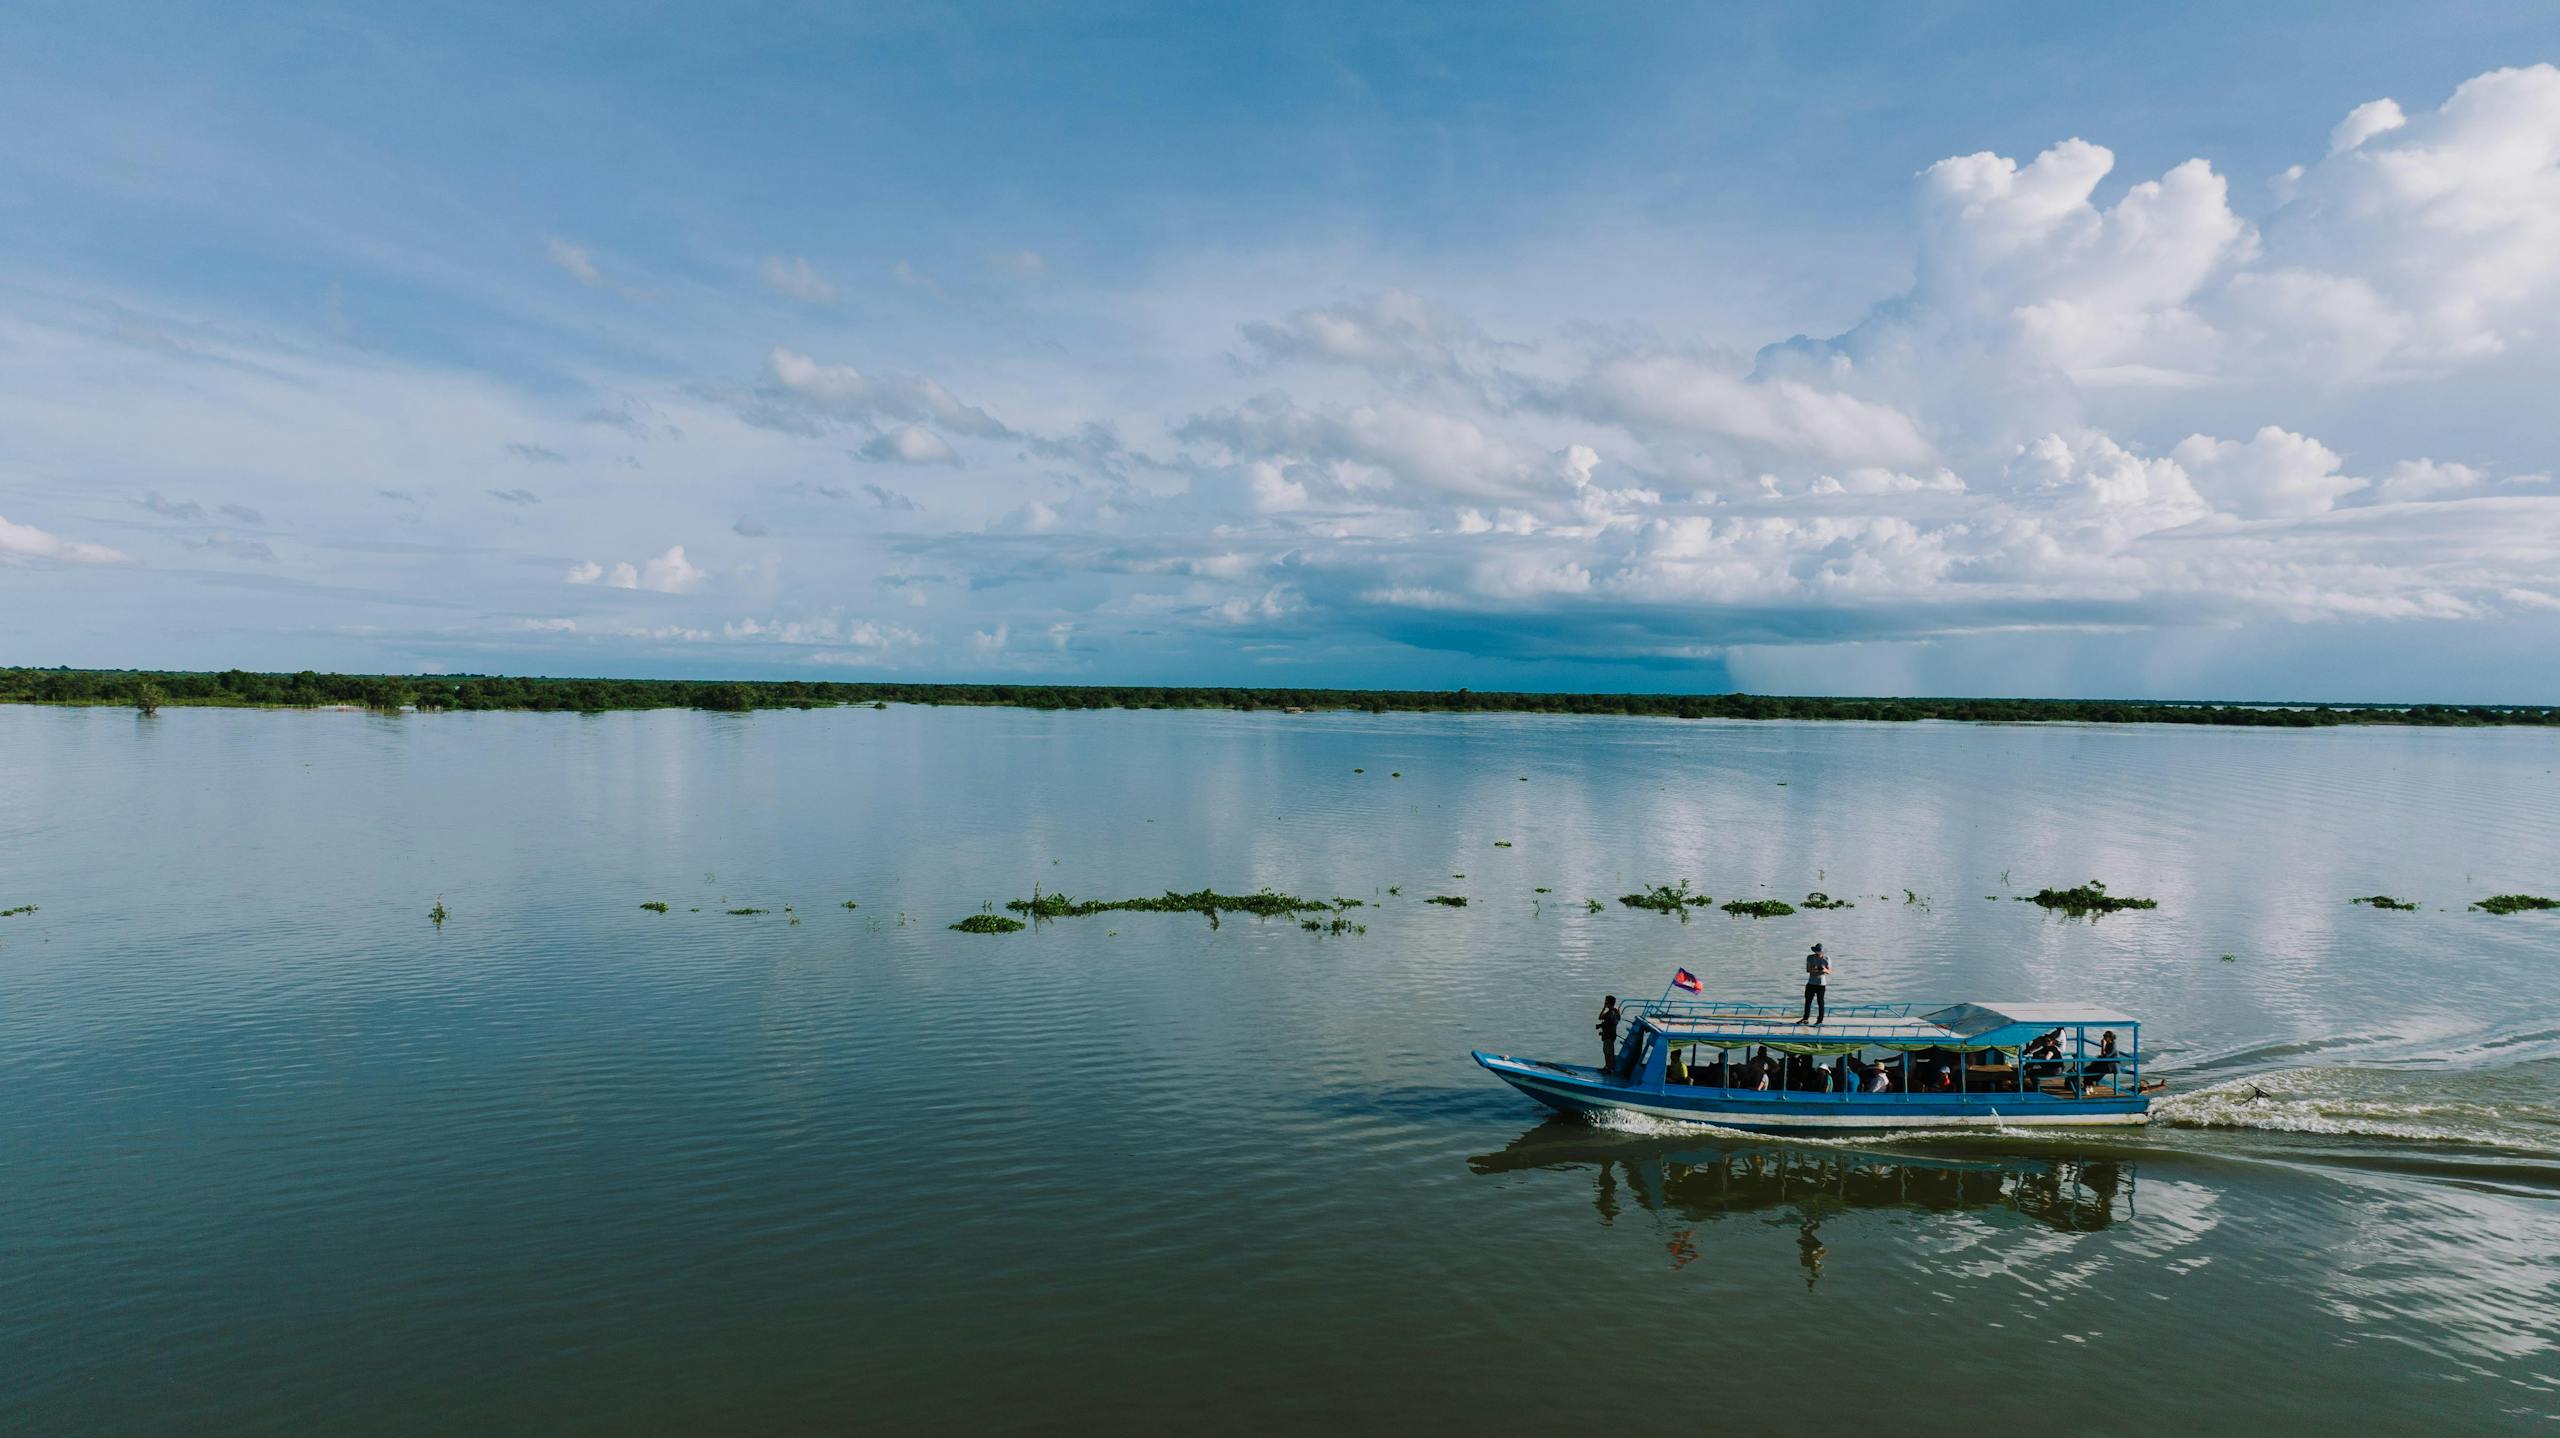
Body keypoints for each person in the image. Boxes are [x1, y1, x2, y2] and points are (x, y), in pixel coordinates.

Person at [1797, 943, 1831, 1025]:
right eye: (1817, 951)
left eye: (1820, 951)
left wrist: (1824, 970)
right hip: (1811, 983)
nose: (1818, 953)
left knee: (1820, 1002)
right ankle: (1805, 1018)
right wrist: (1815, 969)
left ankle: (1820, 1021)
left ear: (1823, 952)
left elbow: (1830, 971)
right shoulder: (1810, 957)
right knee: (1808, 1001)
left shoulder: (1827, 959)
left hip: (1821, 984)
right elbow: (1808, 970)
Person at [1596, 995, 1623, 1072]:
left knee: (1609, 1052)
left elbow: (1612, 1021)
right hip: (1606, 1035)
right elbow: (1600, 1017)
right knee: (1605, 1051)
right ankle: (1606, 1066)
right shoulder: (1610, 1011)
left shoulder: (1613, 1012)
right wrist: (1603, 1008)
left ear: (1609, 1002)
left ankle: (1609, 1068)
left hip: (1610, 1035)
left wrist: (1602, 1025)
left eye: (1606, 1002)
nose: (1605, 1003)